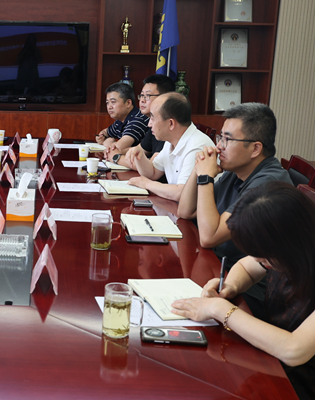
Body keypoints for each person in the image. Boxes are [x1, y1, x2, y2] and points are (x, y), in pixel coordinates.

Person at [171, 182, 315, 400]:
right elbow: (247, 267)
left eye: (264, 258)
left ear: (288, 242)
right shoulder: (288, 252)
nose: (260, 261)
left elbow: (294, 350)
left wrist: (220, 309)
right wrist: (230, 287)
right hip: (272, 362)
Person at [177, 103, 292, 317]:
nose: (218, 146)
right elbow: (185, 211)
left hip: (255, 294)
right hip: (224, 274)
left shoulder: (268, 183)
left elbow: (209, 237)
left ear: (255, 149)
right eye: (220, 137)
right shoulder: (236, 170)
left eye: (227, 140)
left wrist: (205, 177)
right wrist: (199, 167)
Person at [126, 92, 213, 201]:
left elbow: (181, 193)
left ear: (171, 123)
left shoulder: (196, 146)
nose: (149, 124)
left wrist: (147, 184)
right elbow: (153, 172)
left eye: (152, 118)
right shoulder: (171, 141)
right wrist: (140, 156)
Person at [105, 74, 175, 168]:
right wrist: (115, 151)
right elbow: (140, 150)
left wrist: (116, 157)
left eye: (147, 95)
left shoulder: (168, 126)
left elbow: (152, 167)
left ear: (164, 98)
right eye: (141, 95)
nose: (142, 100)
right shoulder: (153, 125)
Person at [96, 82, 149, 154]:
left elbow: (117, 149)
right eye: (107, 102)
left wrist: (109, 143)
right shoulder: (120, 120)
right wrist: (101, 137)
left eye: (113, 102)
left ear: (128, 103)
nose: (109, 107)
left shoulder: (138, 120)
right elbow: (105, 133)